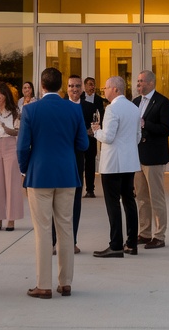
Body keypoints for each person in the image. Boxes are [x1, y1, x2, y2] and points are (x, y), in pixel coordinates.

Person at [18, 67, 89, 298]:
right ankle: (65, 282)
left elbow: (22, 147)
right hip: (67, 174)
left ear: (42, 85)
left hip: (39, 176)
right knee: (66, 228)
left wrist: (24, 169)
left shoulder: (30, 110)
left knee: (43, 230)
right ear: (61, 86)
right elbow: (83, 145)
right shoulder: (73, 109)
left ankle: (44, 285)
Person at [91, 75, 140, 257]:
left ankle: (116, 244)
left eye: (106, 88)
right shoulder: (134, 108)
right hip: (129, 161)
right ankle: (132, 243)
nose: (104, 91)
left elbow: (108, 137)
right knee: (129, 201)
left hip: (112, 164)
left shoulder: (112, 109)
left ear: (115, 89)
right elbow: (137, 135)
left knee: (113, 204)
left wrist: (96, 132)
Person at [132, 69, 169, 249]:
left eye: (141, 81)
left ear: (151, 83)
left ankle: (159, 235)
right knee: (141, 197)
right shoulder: (135, 102)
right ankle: (145, 232)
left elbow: (167, 129)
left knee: (156, 197)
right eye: (138, 81)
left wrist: (145, 124)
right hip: (137, 155)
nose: (138, 84)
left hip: (154, 157)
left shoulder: (162, 102)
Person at [66, 74, 99, 251]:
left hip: (79, 157)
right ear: (67, 88)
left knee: (76, 200)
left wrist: (86, 133)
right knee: (60, 201)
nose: (75, 89)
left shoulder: (89, 107)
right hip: (62, 158)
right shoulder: (60, 106)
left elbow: (94, 129)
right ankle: (57, 241)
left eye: (78, 86)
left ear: (82, 88)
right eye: (71, 86)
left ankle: (73, 241)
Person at [0, 81, 25, 230]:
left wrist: (5, 127)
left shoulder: (15, 111)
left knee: (12, 182)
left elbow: (18, 131)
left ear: (6, 95)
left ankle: (11, 219)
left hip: (10, 145)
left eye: (0, 94)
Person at [81, 77, 106, 198]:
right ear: (84, 86)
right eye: (90, 84)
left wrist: (95, 129)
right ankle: (78, 188)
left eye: (94, 84)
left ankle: (90, 189)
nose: (92, 87)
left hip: (92, 135)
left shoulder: (99, 100)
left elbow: (101, 116)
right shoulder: (79, 98)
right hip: (80, 134)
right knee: (79, 163)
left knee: (90, 163)